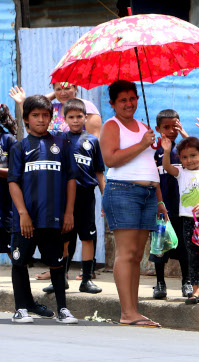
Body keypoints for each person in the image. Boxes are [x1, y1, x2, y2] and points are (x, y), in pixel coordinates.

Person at [8, 95, 78, 324]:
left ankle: (63, 309)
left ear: (51, 117)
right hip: (26, 221)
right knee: (20, 262)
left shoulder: (63, 144)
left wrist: (69, 213)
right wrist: (23, 214)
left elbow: (70, 180)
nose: (40, 119)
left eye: (45, 115)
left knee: (57, 263)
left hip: (54, 219)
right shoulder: (20, 147)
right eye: (35, 115)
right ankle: (20, 309)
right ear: (26, 119)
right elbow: (13, 183)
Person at [100, 80, 166, 328]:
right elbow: (110, 159)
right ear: (113, 104)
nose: (129, 103)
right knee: (126, 253)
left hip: (148, 193)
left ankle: (134, 310)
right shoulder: (111, 125)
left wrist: (160, 200)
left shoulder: (144, 127)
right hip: (123, 191)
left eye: (132, 98)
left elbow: (152, 166)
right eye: (123, 100)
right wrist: (141, 144)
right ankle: (127, 313)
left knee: (137, 255)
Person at [52, 98, 105, 294]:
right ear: (64, 118)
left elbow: (99, 172)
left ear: (86, 117)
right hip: (64, 198)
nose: (75, 120)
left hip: (86, 196)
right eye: (71, 117)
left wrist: (104, 197)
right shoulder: (58, 140)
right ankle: (61, 278)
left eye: (79, 117)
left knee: (88, 237)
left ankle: (86, 279)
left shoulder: (92, 141)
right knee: (64, 238)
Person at [160, 136, 199, 305]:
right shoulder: (180, 173)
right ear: (180, 159)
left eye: (193, 155)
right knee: (192, 256)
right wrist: (166, 151)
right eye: (185, 157)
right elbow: (166, 166)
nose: (190, 160)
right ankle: (195, 291)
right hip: (188, 221)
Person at [151, 109, 188, 300]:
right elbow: (152, 180)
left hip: (183, 208)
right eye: (166, 127)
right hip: (162, 208)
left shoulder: (184, 148)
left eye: (175, 126)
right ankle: (159, 283)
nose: (171, 130)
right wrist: (158, 203)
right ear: (158, 129)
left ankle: (187, 282)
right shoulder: (153, 150)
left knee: (185, 247)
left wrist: (184, 135)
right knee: (159, 247)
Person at [8, 83, 102, 136]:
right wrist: (21, 103)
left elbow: (94, 140)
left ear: (75, 87)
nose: (63, 93)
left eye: (67, 88)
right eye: (58, 89)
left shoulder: (87, 108)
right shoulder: (53, 108)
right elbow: (31, 129)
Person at [0, 104, 17, 268]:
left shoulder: (8, 140)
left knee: (10, 243)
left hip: (4, 202)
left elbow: (16, 170)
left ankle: (21, 275)